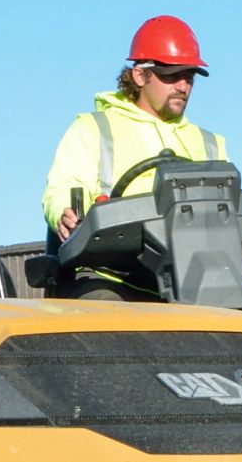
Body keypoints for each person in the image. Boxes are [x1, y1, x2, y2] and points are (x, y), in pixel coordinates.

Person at [40, 17, 229, 286]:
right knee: (97, 311)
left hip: (194, 279)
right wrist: (63, 210)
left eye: (189, 77)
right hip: (111, 274)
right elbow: (64, 184)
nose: (183, 86)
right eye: (171, 74)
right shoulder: (93, 128)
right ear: (140, 75)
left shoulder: (211, 143)